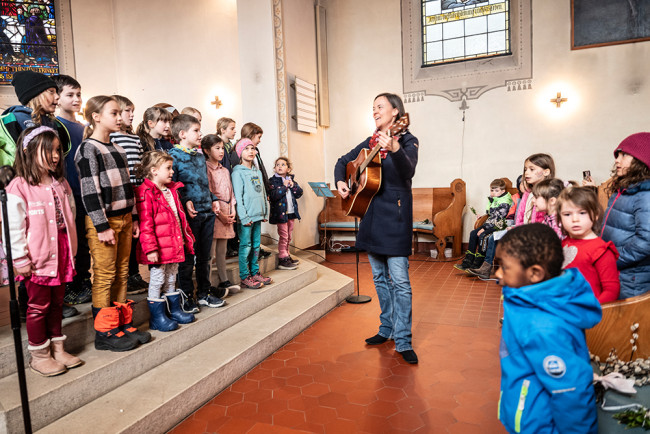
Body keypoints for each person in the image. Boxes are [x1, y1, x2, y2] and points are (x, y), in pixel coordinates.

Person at [334, 93, 419, 364]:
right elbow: (342, 162)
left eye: (380, 107)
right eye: (373, 108)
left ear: (396, 113)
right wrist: (341, 182)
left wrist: (394, 149)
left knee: (401, 283)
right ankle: (387, 329)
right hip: (370, 217)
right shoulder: (369, 142)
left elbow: (408, 172)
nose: (375, 111)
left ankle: (403, 340)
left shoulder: (407, 140)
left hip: (395, 218)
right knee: (380, 280)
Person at [495, 223, 600, 434]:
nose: (497, 274)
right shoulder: (526, 298)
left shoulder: (544, 328)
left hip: (539, 424)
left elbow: (570, 393)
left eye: (504, 267)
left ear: (535, 273)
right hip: (526, 407)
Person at [6, 126, 83, 376]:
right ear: (28, 151)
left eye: (58, 150)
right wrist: (19, 258)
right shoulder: (19, 187)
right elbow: (14, 227)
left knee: (57, 303)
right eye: (48, 150)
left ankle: (57, 348)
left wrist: (72, 249)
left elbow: (70, 214)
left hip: (61, 252)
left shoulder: (60, 182)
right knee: (38, 306)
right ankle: (39, 354)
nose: (55, 155)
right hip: (37, 258)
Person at [75, 95, 149, 352]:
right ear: (96, 116)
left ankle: (121, 324)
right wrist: (102, 226)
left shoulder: (117, 148)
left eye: (120, 114)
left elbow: (128, 187)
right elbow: (90, 192)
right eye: (114, 113)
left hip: (126, 219)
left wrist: (135, 217)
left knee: (121, 273)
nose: (120, 118)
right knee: (105, 276)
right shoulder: (88, 149)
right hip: (104, 222)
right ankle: (104, 331)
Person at [169, 114, 224, 312]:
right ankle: (185, 295)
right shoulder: (173, 156)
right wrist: (185, 201)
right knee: (187, 258)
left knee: (204, 257)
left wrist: (214, 199)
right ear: (182, 134)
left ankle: (204, 293)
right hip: (189, 215)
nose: (200, 134)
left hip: (207, 211)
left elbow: (203, 183)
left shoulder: (200, 156)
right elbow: (172, 186)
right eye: (196, 131)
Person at [135, 151, 195, 331]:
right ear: (154, 171)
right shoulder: (146, 193)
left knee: (171, 277)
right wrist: (151, 249)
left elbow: (178, 218)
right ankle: (157, 317)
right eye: (168, 168)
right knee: (157, 279)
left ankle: (173, 310)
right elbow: (146, 224)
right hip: (159, 248)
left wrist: (184, 239)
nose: (172, 172)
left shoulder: (171, 190)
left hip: (174, 244)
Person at [470, 153, 555, 279]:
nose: (527, 173)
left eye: (532, 169)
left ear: (546, 171)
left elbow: (549, 221)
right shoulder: (528, 193)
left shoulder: (549, 193)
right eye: (526, 169)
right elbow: (521, 217)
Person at [51, 74, 92, 311]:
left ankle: (84, 281)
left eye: (78, 94)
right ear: (57, 97)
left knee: (86, 241)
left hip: (87, 191)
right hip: (69, 191)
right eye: (70, 95)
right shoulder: (56, 125)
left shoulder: (84, 127)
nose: (76, 99)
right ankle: (71, 286)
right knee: (72, 242)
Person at [601, 133, 650, 299]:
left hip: (633, 277)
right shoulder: (624, 189)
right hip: (618, 271)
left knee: (630, 321)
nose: (617, 159)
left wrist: (611, 258)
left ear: (640, 160)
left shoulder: (646, 195)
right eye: (617, 155)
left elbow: (646, 241)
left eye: (623, 155)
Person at [110, 95, 149, 295]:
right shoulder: (113, 137)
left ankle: (134, 273)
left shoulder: (135, 139)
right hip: (123, 190)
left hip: (137, 189)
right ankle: (124, 274)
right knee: (126, 236)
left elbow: (141, 163)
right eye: (127, 111)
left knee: (137, 234)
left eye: (132, 111)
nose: (131, 115)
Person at [558, 186, 620, 303]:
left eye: (582, 213)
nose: (575, 219)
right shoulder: (564, 243)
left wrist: (592, 310)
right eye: (567, 214)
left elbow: (611, 290)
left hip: (587, 313)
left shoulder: (601, 250)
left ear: (595, 215)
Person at [202, 134, 241, 295]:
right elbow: (209, 192)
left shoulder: (225, 170)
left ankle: (224, 280)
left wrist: (232, 209)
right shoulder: (205, 168)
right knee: (210, 252)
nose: (221, 151)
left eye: (222, 148)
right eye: (216, 148)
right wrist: (220, 215)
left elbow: (231, 192)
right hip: (216, 213)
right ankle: (208, 283)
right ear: (206, 150)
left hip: (227, 211)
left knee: (222, 250)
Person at [232, 139, 272, 289]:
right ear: (240, 152)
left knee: (256, 245)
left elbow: (262, 193)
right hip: (247, 217)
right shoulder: (237, 173)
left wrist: (265, 211)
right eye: (246, 148)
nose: (250, 151)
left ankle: (255, 272)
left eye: (253, 148)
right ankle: (245, 276)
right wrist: (243, 216)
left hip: (258, 214)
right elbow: (238, 196)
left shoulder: (258, 172)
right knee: (246, 245)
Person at [454, 178, 512, 272]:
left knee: (483, 236)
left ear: (503, 191)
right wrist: (489, 203)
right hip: (491, 223)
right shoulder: (495, 199)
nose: (493, 192)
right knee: (473, 233)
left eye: (496, 190)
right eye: (492, 190)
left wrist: (484, 228)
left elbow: (497, 218)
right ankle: (468, 261)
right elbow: (489, 213)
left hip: (499, 225)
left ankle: (478, 262)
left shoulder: (505, 202)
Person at [269, 157, 303, 270]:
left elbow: (299, 193)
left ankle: (287, 255)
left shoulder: (291, 180)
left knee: (289, 235)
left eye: (283, 164)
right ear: (274, 168)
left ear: (288, 168)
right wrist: (284, 186)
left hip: (291, 212)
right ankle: (282, 258)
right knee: (284, 235)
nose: (280, 166)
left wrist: (292, 185)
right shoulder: (273, 181)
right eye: (277, 164)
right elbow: (273, 196)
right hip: (280, 213)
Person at [216, 117, 239, 257]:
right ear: (222, 130)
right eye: (232, 128)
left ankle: (233, 244)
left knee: (233, 216)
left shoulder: (232, 147)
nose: (235, 131)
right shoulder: (220, 146)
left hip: (233, 184)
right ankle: (227, 248)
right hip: (223, 186)